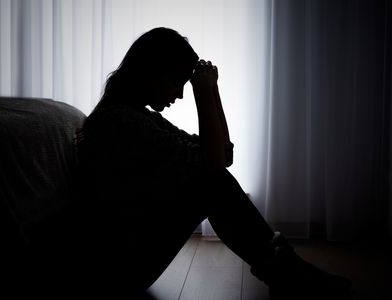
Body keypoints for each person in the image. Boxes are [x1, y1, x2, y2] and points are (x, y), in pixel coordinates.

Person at [76, 27, 352, 299]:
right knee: (210, 182)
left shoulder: (140, 117)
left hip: (130, 254)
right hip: (117, 269)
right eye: (177, 82)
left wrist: (213, 92)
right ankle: (288, 274)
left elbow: (222, 155)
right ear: (154, 73)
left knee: (210, 178)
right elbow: (215, 165)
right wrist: (203, 94)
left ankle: (286, 273)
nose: (180, 94)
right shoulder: (120, 122)